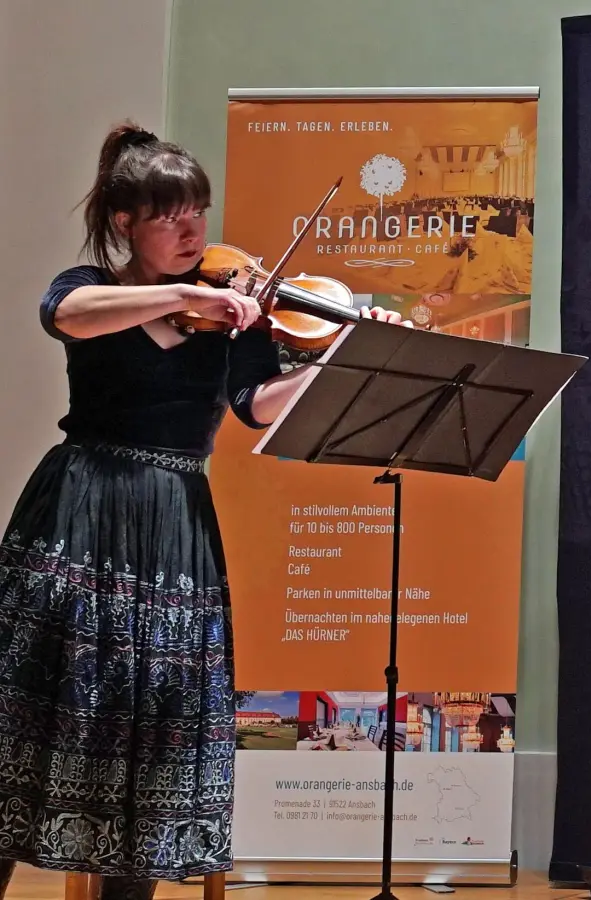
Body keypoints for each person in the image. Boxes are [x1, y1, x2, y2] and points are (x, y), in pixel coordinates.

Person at [0, 121, 407, 900]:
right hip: (80, 510)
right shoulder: (97, 286)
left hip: (175, 523)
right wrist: (189, 294)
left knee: (153, 725)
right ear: (126, 223)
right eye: (169, 214)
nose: (193, 230)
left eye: (199, 211)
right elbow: (68, 314)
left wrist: (339, 360)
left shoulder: (238, 316)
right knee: (32, 710)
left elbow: (258, 408)